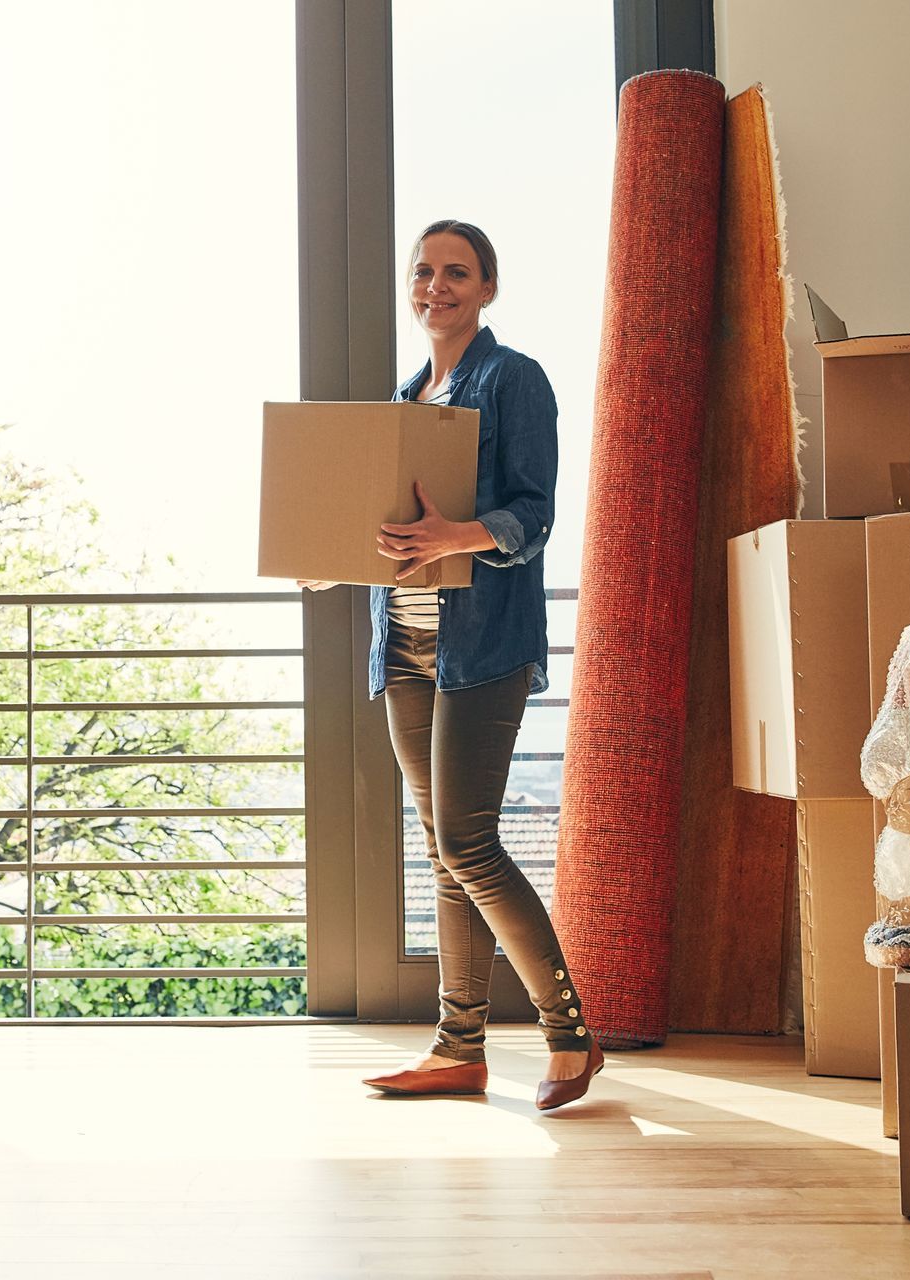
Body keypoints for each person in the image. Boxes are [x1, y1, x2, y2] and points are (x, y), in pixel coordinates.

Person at [298, 219, 602, 1111]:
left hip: (483, 649)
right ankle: (458, 1046)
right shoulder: (404, 402)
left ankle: (570, 1034)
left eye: (457, 271)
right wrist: (334, 551)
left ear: (488, 288)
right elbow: (389, 536)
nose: (437, 285)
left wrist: (457, 535)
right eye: (424, 271)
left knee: (469, 841)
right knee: (440, 851)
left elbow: (533, 516)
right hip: (405, 647)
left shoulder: (514, 379)